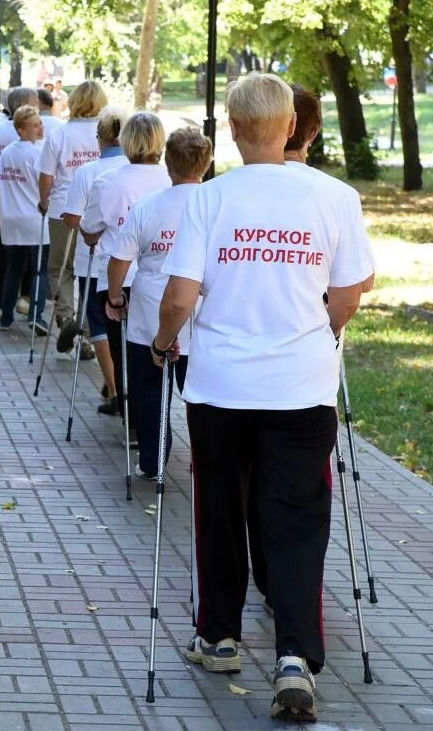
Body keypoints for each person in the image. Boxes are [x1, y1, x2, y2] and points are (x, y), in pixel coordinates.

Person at [151, 73, 375, 721]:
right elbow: (348, 293)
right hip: (301, 389)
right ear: (290, 127)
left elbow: (181, 298)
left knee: (219, 506)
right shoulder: (334, 197)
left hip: (221, 385)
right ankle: (294, 658)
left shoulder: (210, 200)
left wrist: (165, 341)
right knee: (297, 519)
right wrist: (318, 332)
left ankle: (218, 636)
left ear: (234, 128)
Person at [104, 126, 212, 476]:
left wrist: (116, 295)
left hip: (151, 312)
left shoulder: (149, 206)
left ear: (168, 165)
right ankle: (207, 458)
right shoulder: (216, 205)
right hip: (202, 315)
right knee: (200, 394)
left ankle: (152, 459)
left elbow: (120, 258)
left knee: (149, 392)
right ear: (206, 164)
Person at [80, 111, 170, 426]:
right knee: (162, 353)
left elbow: (89, 230)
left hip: (119, 280)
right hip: (165, 279)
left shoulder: (107, 182)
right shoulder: (172, 180)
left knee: (125, 354)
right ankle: (156, 421)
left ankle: (132, 419)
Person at [58, 108, 129, 387]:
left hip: (96, 258)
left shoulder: (88, 171)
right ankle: (124, 386)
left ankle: (113, 388)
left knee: (99, 324)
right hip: (133, 263)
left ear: (99, 139)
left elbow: (74, 219)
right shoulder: (138, 171)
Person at [39, 80, 108, 331]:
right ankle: (89, 329)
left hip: (63, 208)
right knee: (90, 269)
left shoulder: (59, 134)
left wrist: (43, 201)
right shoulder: (107, 135)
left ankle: (66, 317)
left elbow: (46, 175)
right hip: (96, 210)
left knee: (61, 267)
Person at [0, 106, 49, 333]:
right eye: (35, 125)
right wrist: (44, 203)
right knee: (38, 270)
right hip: (33, 218)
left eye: (40, 123)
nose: (40, 128)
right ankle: (36, 314)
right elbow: (44, 182)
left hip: (10, 218)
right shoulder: (35, 153)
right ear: (21, 129)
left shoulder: (7, 153)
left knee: (13, 269)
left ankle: (6, 316)